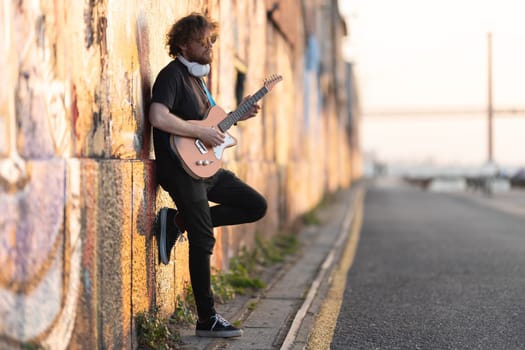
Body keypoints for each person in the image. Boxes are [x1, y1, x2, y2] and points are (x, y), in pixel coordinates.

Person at [148, 12, 267, 338]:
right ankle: (207, 319)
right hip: (179, 170)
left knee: (255, 205)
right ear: (184, 44)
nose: (210, 46)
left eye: (211, 40)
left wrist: (237, 115)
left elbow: (211, 130)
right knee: (204, 240)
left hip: (205, 168)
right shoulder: (171, 76)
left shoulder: (198, 82)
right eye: (203, 41)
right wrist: (199, 129)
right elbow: (158, 116)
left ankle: (178, 222)